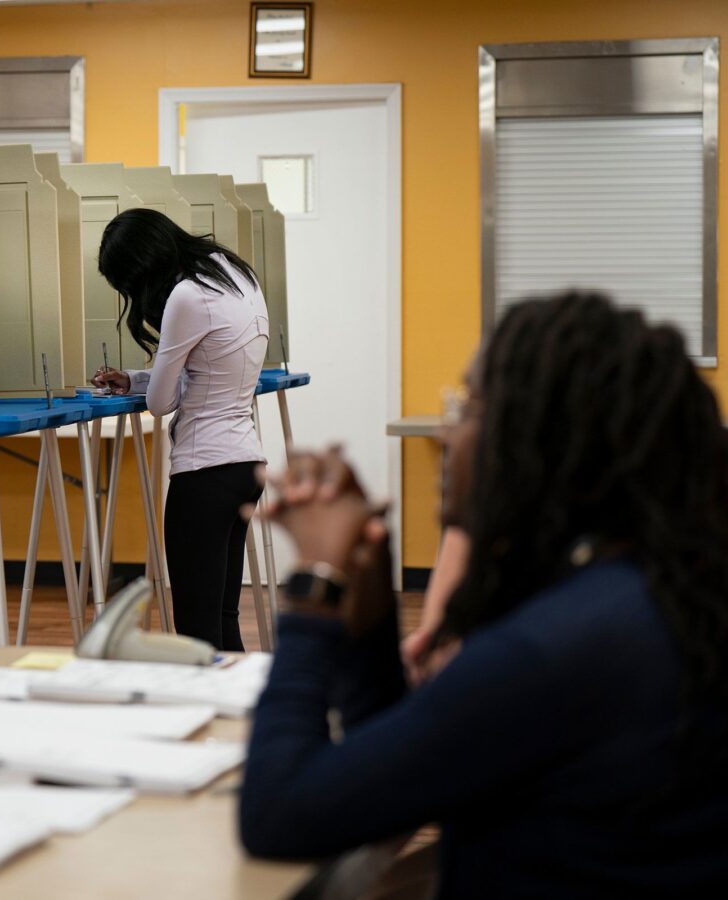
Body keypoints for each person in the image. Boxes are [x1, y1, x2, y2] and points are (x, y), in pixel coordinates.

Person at [239, 292, 728, 897]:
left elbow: (280, 816)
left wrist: (314, 591)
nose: (448, 434)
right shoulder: (638, 595)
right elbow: (400, 775)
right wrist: (367, 619)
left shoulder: (554, 650)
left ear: (539, 441)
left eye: (469, 408)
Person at [92, 208, 269, 651]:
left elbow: (162, 403)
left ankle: (214, 714)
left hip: (203, 473)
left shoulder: (187, 296)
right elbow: (205, 370)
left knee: (196, 629)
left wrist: (146, 384)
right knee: (223, 620)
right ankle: (240, 713)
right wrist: (132, 378)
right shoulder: (234, 273)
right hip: (245, 466)